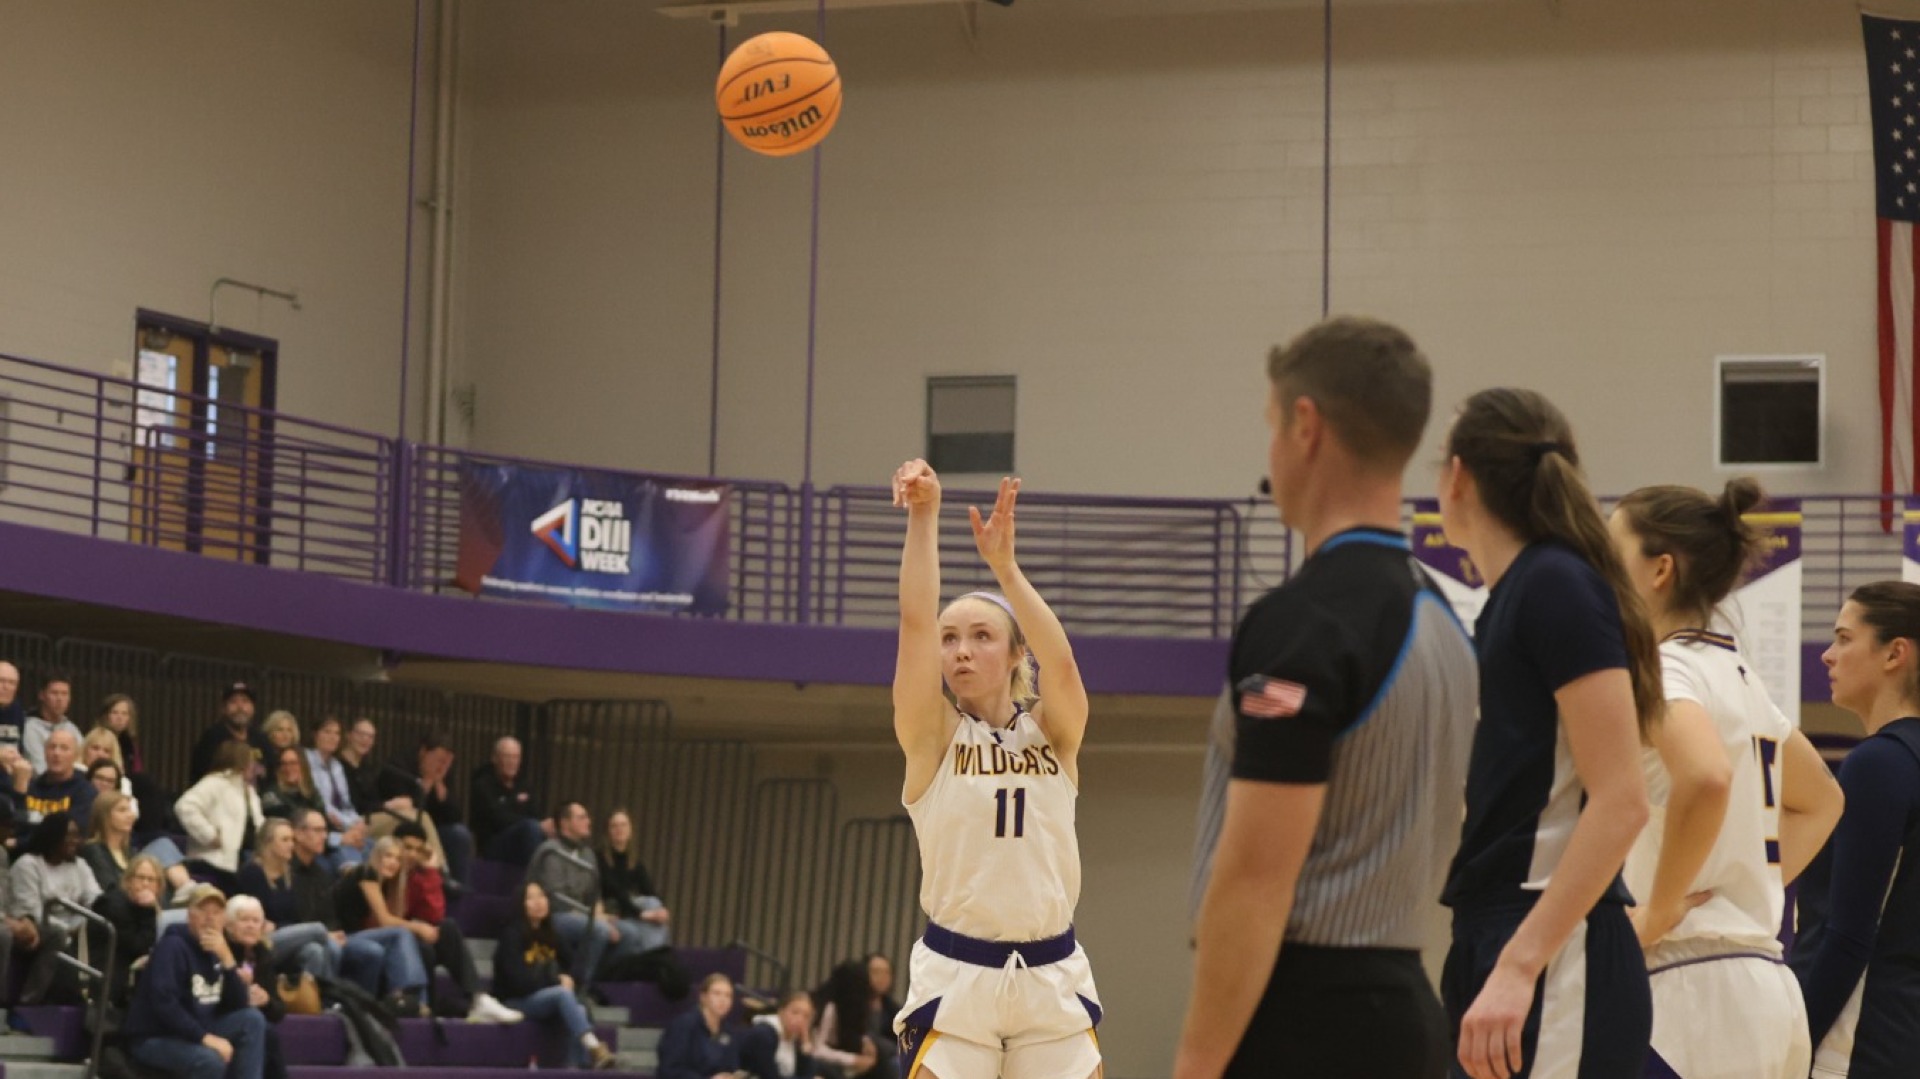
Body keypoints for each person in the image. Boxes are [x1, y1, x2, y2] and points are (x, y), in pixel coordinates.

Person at [1173, 319, 1476, 1079]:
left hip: (1306, 1019)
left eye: (1272, 426)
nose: (1270, 450)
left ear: (1305, 426)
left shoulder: (1303, 621)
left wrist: (1198, 1062)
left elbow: (1255, 879)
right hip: (1408, 1014)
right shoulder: (1447, 620)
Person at [1435, 388, 1657, 1079]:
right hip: (1499, 929)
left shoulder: (1556, 584)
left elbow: (1622, 798)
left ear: (1458, 476)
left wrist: (1520, 962)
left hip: (1555, 945)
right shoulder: (1510, 597)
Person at [1609, 481, 1846, 1078]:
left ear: (1660, 569)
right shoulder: (1739, 673)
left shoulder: (1663, 669)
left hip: (1692, 997)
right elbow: (1822, 801)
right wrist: (1743, 884)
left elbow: (1706, 775)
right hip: (1765, 989)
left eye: (1609, 554)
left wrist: (1659, 912)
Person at [887, 460, 1102, 1079]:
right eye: (950, 637)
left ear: (1014, 655)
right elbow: (913, 623)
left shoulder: (1054, 734)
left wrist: (1004, 568)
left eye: (981, 635)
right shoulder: (931, 736)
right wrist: (924, 517)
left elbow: (1062, 665)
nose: (959, 649)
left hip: (1051, 977)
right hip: (957, 978)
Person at [1792, 582, 1920, 1078]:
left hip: (1859, 1040)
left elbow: (1846, 936)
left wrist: (1792, 1044)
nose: (1827, 655)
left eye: (1844, 638)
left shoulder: (1879, 764)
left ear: (1895, 653)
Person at [121, 883, 269, 1079]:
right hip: (155, 1036)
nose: (210, 918)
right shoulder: (172, 947)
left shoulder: (217, 949)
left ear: (224, 919)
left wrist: (228, 961)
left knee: (252, 1020)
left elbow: (239, 1004)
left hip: (194, 1028)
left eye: (216, 912)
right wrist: (205, 1038)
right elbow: (165, 1005)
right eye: (203, 910)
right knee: (209, 1060)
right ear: (190, 915)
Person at [390, 820, 521, 1022]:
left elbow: (435, 916)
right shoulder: (385, 869)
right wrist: (416, 927)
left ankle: (478, 998)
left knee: (447, 927)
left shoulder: (418, 877)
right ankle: (424, 1006)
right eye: (407, 848)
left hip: (413, 936)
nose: (413, 855)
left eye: (418, 850)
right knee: (423, 949)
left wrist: (432, 872)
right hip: (391, 938)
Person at [493, 881, 617, 1070]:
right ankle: (594, 1048)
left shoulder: (551, 933)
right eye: (531, 898)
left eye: (542, 896)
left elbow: (576, 969)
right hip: (514, 1001)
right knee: (562, 994)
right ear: (521, 904)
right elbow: (518, 982)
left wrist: (568, 977)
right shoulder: (512, 935)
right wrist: (555, 980)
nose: (538, 902)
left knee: (580, 1009)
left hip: (543, 998)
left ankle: (574, 1067)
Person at [330, 837, 433, 1015]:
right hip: (341, 936)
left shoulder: (389, 886)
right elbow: (386, 921)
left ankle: (402, 999)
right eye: (388, 856)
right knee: (401, 933)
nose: (393, 863)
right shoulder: (365, 872)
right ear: (377, 856)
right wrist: (419, 928)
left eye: (398, 859)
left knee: (408, 944)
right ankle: (410, 999)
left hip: (361, 937)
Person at [10, 811, 99, 1003]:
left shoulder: (80, 866)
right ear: (53, 835)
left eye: (77, 835)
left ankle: (98, 1002)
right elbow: (30, 914)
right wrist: (70, 928)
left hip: (75, 930)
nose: (75, 840)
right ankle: (29, 1002)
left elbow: (95, 900)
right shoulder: (28, 865)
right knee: (58, 937)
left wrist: (80, 925)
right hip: (33, 929)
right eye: (70, 835)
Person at [235, 815, 337, 982]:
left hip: (286, 935)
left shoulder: (289, 874)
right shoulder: (253, 872)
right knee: (319, 930)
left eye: (292, 839)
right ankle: (337, 993)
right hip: (260, 940)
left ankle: (318, 1002)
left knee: (314, 951)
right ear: (269, 843)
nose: (291, 845)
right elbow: (254, 918)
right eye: (285, 840)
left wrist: (282, 926)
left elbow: (294, 917)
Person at [373, 732, 472, 884]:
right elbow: (406, 809)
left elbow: (455, 815)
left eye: (447, 763)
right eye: (439, 760)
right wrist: (425, 785)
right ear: (424, 752)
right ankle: (441, 871)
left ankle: (460, 889)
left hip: (434, 829)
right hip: (400, 826)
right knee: (421, 817)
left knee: (460, 834)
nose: (442, 766)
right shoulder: (399, 766)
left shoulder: (444, 773)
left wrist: (440, 787)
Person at [176, 740, 265, 895]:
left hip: (243, 861)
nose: (254, 766)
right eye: (250, 761)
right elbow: (184, 806)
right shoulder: (214, 783)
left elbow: (259, 825)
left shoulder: (249, 792)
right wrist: (209, 835)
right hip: (213, 862)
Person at [222, 894, 290, 1079]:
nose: (251, 925)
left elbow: (278, 1011)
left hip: (252, 1023)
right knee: (264, 1031)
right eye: (244, 920)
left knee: (265, 1030)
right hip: (221, 1020)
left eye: (256, 921)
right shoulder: (219, 950)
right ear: (228, 924)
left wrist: (266, 1000)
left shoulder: (262, 954)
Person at [0, 831, 71, 1004]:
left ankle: (27, 1006)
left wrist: (25, 918)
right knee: (3, 935)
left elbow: (6, 895)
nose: (9, 829)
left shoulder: (1, 854)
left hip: (5, 917)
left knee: (56, 933)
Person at [82, 788, 193, 896]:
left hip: (146, 904)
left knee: (163, 844)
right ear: (104, 816)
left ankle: (188, 890)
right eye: (122, 810)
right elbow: (110, 888)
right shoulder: (93, 849)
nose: (131, 815)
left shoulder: (129, 851)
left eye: (130, 810)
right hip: (120, 910)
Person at [91, 852, 165, 1006]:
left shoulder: (145, 908)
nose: (145, 884)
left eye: (151, 880)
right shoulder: (114, 905)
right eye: (140, 877)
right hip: (108, 975)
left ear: (159, 886)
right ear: (129, 880)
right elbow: (137, 946)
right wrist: (149, 911)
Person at [597, 808, 670, 956]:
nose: (619, 829)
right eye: (614, 826)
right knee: (648, 910)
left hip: (630, 911)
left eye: (623, 825)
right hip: (612, 911)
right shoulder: (599, 858)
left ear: (630, 830)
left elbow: (650, 890)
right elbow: (616, 892)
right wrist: (641, 914)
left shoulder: (634, 862)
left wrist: (661, 910)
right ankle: (655, 956)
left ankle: (655, 955)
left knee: (653, 903)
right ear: (608, 832)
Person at [470, 736, 550, 866]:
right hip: (494, 845)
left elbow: (537, 814)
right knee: (531, 827)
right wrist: (525, 821)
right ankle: (535, 879)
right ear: (495, 758)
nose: (512, 762)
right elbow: (497, 818)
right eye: (507, 757)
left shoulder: (524, 785)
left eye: (516, 757)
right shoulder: (483, 785)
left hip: (524, 840)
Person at [657, 973, 747, 1079]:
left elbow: (731, 1067)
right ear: (703, 997)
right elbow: (669, 1070)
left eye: (728, 995)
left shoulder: (728, 1031)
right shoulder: (684, 1025)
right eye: (717, 994)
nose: (723, 1000)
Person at [305, 718, 370, 857]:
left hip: (344, 824)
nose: (333, 737)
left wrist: (358, 822)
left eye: (337, 733)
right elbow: (323, 804)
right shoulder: (306, 760)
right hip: (323, 824)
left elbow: (346, 804)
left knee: (374, 848)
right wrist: (350, 824)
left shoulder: (337, 765)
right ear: (315, 735)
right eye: (327, 732)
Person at [812, 961, 882, 1078]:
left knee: (881, 1057)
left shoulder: (850, 1009)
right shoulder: (829, 1007)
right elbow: (817, 1049)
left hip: (837, 1053)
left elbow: (852, 1032)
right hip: (818, 1059)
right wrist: (853, 1060)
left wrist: (865, 1041)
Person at [189, 683, 270, 782]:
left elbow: (271, 774)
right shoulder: (212, 738)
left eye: (245, 701)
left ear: (253, 708)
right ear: (223, 708)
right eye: (233, 702)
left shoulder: (261, 739)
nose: (240, 707)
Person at [25, 727, 97, 828]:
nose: (56, 753)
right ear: (45, 753)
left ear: (75, 755)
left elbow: (71, 833)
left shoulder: (85, 792)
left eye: (64, 748)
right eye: (52, 747)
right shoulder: (31, 787)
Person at [742, 991, 822, 1079]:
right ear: (781, 1011)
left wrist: (806, 1044)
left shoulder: (796, 1039)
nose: (800, 1019)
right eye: (795, 1012)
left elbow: (808, 1074)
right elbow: (769, 1076)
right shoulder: (763, 1034)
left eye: (806, 1016)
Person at [24, 671, 82, 777]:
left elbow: (82, 760)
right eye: (54, 693)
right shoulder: (30, 727)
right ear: (42, 695)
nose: (60, 699)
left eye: (64, 694)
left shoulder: (71, 728)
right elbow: (40, 768)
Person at [334, 718, 383, 819]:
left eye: (370, 737)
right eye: (360, 734)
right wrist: (386, 806)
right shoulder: (336, 765)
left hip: (370, 817)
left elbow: (374, 799)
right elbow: (352, 803)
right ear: (349, 735)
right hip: (349, 818)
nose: (365, 739)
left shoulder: (368, 769)